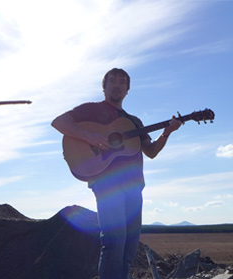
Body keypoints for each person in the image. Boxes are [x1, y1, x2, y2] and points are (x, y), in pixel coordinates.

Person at [51, 68, 180, 279]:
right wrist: (90, 137)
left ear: (128, 90)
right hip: (107, 184)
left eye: (122, 82)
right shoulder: (90, 110)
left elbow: (151, 152)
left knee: (128, 249)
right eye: (113, 80)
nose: (117, 84)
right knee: (114, 243)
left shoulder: (134, 122)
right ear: (104, 86)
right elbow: (59, 123)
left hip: (134, 186)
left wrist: (167, 132)